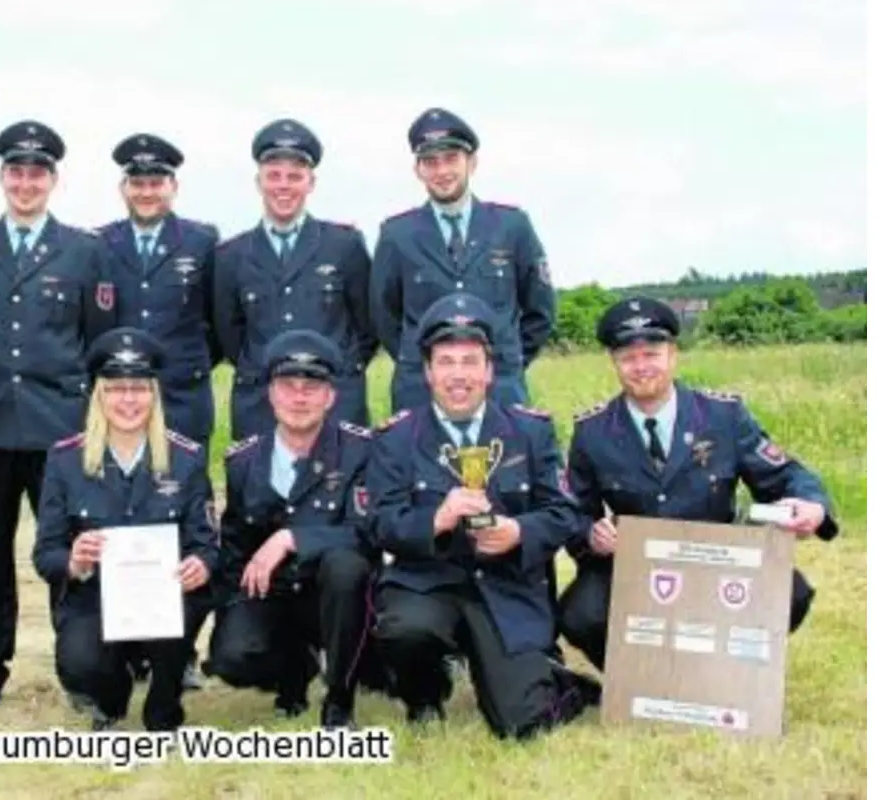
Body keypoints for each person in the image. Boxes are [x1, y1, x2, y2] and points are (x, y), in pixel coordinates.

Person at [554, 296, 841, 673]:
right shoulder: (593, 432)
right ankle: (641, 678)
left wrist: (813, 506)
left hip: (716, 563)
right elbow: (573, 511)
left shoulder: (724, 416)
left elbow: (785, 474)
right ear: (614, 363)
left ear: (673, 355)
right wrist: (591, 537)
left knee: (791, 592)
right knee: (580, 613)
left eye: (651, 354)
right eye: (628, 358)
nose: (641, 367)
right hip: (635, 567)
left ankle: (721, 676)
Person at [364, 292, 595, 739]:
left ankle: (560, 683)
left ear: (489, 370)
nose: (458, 376)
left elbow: (564, 511)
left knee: (522, 724)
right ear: (427, 372)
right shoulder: (395, 438)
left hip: (505, 586)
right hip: (429, 583)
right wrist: (434, 521)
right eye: (446, 362)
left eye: (470, 362)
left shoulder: (530, 431)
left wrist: (518, 531)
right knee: (404, 630)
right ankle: (425, 696)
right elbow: (379, 522)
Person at [0, 120, 119, 710]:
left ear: (53, 180)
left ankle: (81, 667)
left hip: (60, 428)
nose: (26, 183)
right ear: (1, 177)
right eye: (16, 172)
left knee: (71, 551)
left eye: (36, 173)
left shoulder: (84, 249)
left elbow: (97, 344)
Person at [30, 327, 219, 732]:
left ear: (154, 395)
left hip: (165, 599)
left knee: (185, 609)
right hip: (95, 599)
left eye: (139, 388)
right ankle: (111, 696)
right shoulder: (66, 461)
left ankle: (164, 702)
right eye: (116, 389)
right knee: (80, 666)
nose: (129, 400)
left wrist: (201, 564)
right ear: (99, 395)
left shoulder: (186, 459)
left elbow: (207, 544)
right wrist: (76, 561)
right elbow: (45, 554)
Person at [203, 330, 383, 729]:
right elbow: (234, 548)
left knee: (346, 567)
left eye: (311, 387)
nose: (299, 398)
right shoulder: (243, 462)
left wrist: (293, 538)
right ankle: (294, 670)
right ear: (270, 393)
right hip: (277, 596)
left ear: (330, 397)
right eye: (288, 386)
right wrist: (228, 620)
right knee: (233, 658)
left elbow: (370, 532)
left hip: (338, 598)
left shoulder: (362, 451)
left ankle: (339, 700)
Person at [370, 107, 555, 414]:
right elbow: (383, 316)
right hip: (420, 394)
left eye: (451, 159)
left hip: (500, 392)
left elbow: (540, 309)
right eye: (430, 162)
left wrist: (503, 360)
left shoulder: (512, 226)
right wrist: (423, 361)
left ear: (472, 162)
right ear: (418, 170)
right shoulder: (396, 234)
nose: (442, 171)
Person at [212, 118, 376, 441]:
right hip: (260, 406)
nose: (283, 186)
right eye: (273, 176)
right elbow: (230, 336)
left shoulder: (344, 245)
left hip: (334, 403)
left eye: (294, 176)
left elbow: (367, 329)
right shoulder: (231, 255)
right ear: (258, 182)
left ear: (310, 182)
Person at [95, 133, 221, 447]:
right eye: (137, 184)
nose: (146, 193)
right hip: (119, 399)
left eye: (156, 183)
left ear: (173, 187)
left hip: (183, 399)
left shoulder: (202, 241)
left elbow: (221, 322)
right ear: (123, 188)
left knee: (185, 492)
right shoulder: (98, 245)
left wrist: (186, 364)